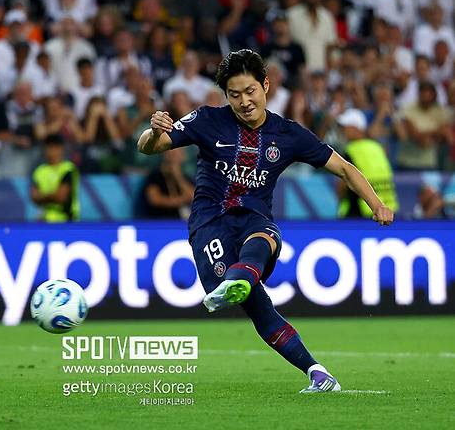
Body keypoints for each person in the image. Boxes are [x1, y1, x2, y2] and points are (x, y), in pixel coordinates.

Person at [137, 49, 394, 393]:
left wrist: (376, 204)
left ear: (266, 86)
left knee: (264, 236)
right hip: (210, 224)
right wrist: (154, 131)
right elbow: (148, 147)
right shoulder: (207, 120)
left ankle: (241, 278)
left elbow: (344, 168)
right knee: (258, 308)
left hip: (254, 219)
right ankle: (317, 371)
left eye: (250, 91)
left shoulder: (288, 134)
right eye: (234, 94)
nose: (244, 101)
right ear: (225, 95)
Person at [335, 108, 399, 218]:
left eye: (345, 127)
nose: (343, 131)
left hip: (358, 211)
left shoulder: (352, 150)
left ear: (356, 128)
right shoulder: (377, 147)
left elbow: (342, 185)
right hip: (386, 211)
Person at [30, 134, 79, 222]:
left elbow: (61, 197)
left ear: (61, 149)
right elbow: (34, 197)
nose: (51, 151)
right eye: (48, 147)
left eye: (54, 148)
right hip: (45, 219)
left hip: (66, 220)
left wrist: (42, 196)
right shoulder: (39, 171)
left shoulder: (68, 169)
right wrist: (53, 195)